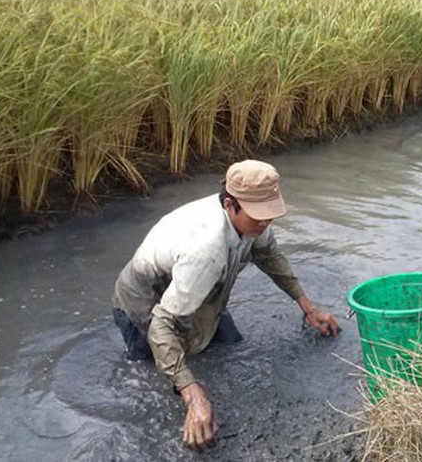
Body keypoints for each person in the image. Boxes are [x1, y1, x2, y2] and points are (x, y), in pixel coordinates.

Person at [111, 159, 339, 451]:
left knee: (229, 345)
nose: (265, 222)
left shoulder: (255, 222)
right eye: (258, 216)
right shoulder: (206, 249)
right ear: (230, 204)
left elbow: (270, 257)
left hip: (201, 294)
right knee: (155, 380)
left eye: (269, 215)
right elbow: (161, 325)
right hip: (145, 302)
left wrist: (308, 308)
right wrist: (195, 397)